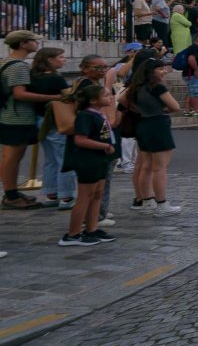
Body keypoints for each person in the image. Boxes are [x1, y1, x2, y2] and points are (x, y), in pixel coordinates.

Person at [1, 31, 64, 209]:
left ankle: (11, 192)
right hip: (17, 116)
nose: (37, 44)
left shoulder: (6, 62)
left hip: (9, 114)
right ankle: (11, 196)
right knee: (13, 156)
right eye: (33, 41)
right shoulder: (18, 66)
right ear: (23, 44)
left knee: (9, 156)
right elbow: (19, 94)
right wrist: (54, 97)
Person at [57, 85, 120, 247]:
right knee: (85, 196)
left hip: (100, 159)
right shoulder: (85, 116)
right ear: (93, 100)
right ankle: (73, 233)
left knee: (97, 194)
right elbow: (80, 139)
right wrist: (104, 146)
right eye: (106, 96)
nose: (110, 98)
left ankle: (92, 229)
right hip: (88, 159)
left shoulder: (98, 114)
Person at [127, 58, 182, 213]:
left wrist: (140, 109)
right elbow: (175, 107)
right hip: (158, 124)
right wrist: (162, 110)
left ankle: (146, 201)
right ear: (151, 71)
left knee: (146, 166)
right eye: (160, 69)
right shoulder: (157, 87)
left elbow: (122, 100)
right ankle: (161, 203)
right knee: (160, 168)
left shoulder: (136, 87)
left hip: (143, 124)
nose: (164, 71)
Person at [30, 48, 72, 209]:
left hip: (40, 119)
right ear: (50, 60)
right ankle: (67, 196)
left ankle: (51, 193)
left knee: (50, 159)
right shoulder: (55, 79)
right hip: (56, 120)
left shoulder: (32, 77)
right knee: (63, 158)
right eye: (61, 57)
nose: (64, 60)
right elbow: (69, 97)